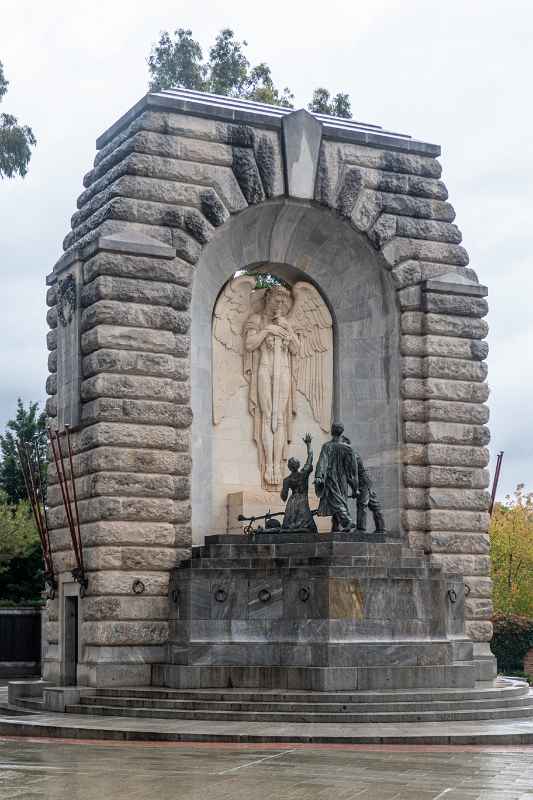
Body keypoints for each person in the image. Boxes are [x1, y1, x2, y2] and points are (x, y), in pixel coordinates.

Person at [314, 423, 358, 532]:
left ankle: (347, 521)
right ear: (341, 432)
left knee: (336, 501)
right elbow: (353, 471)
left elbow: (322, 462)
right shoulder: (348, 448)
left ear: (332, 431)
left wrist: (319, 476)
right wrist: (354, 487)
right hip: (343, 480)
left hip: (331, 479)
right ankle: (335, 526)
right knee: (340, 500)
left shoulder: (327, 446)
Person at [342, 436, 386, 533]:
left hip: (363, 482)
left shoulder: (352, 455)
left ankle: (361, 529)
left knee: (362, 504)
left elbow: (354, 475)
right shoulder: (348, 455)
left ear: (346, 444)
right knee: (374, 505)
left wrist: (355, 490)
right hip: (364, 482)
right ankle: (381, 528)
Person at [280, 433, 317, 533]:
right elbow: (310, 456)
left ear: (289, 467)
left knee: (290, 526)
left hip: (292, 502)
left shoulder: (287, 480)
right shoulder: (303, 474)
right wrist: (308, 444)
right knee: (308, 527)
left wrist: (284, 489)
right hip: (302, 501)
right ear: (298, 465)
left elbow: (283, 497)